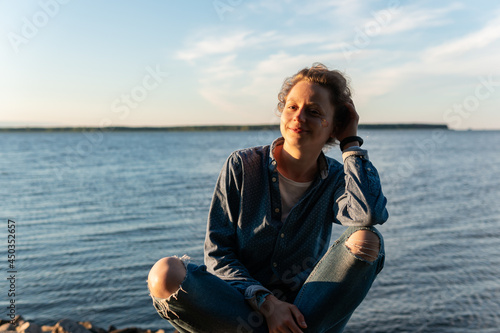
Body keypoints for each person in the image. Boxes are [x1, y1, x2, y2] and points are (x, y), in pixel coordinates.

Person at [148, 63, 388, 333]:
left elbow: (367, 214)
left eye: (314, 111)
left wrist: (351, 143)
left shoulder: (334, 179)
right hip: (239, 305)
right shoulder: (242, 166)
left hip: (304, 310)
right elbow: (218, 255)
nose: (298, 117)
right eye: (292, 107)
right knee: (165, 275)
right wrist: (268, 304)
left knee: (367, 239)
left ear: (334, 127)